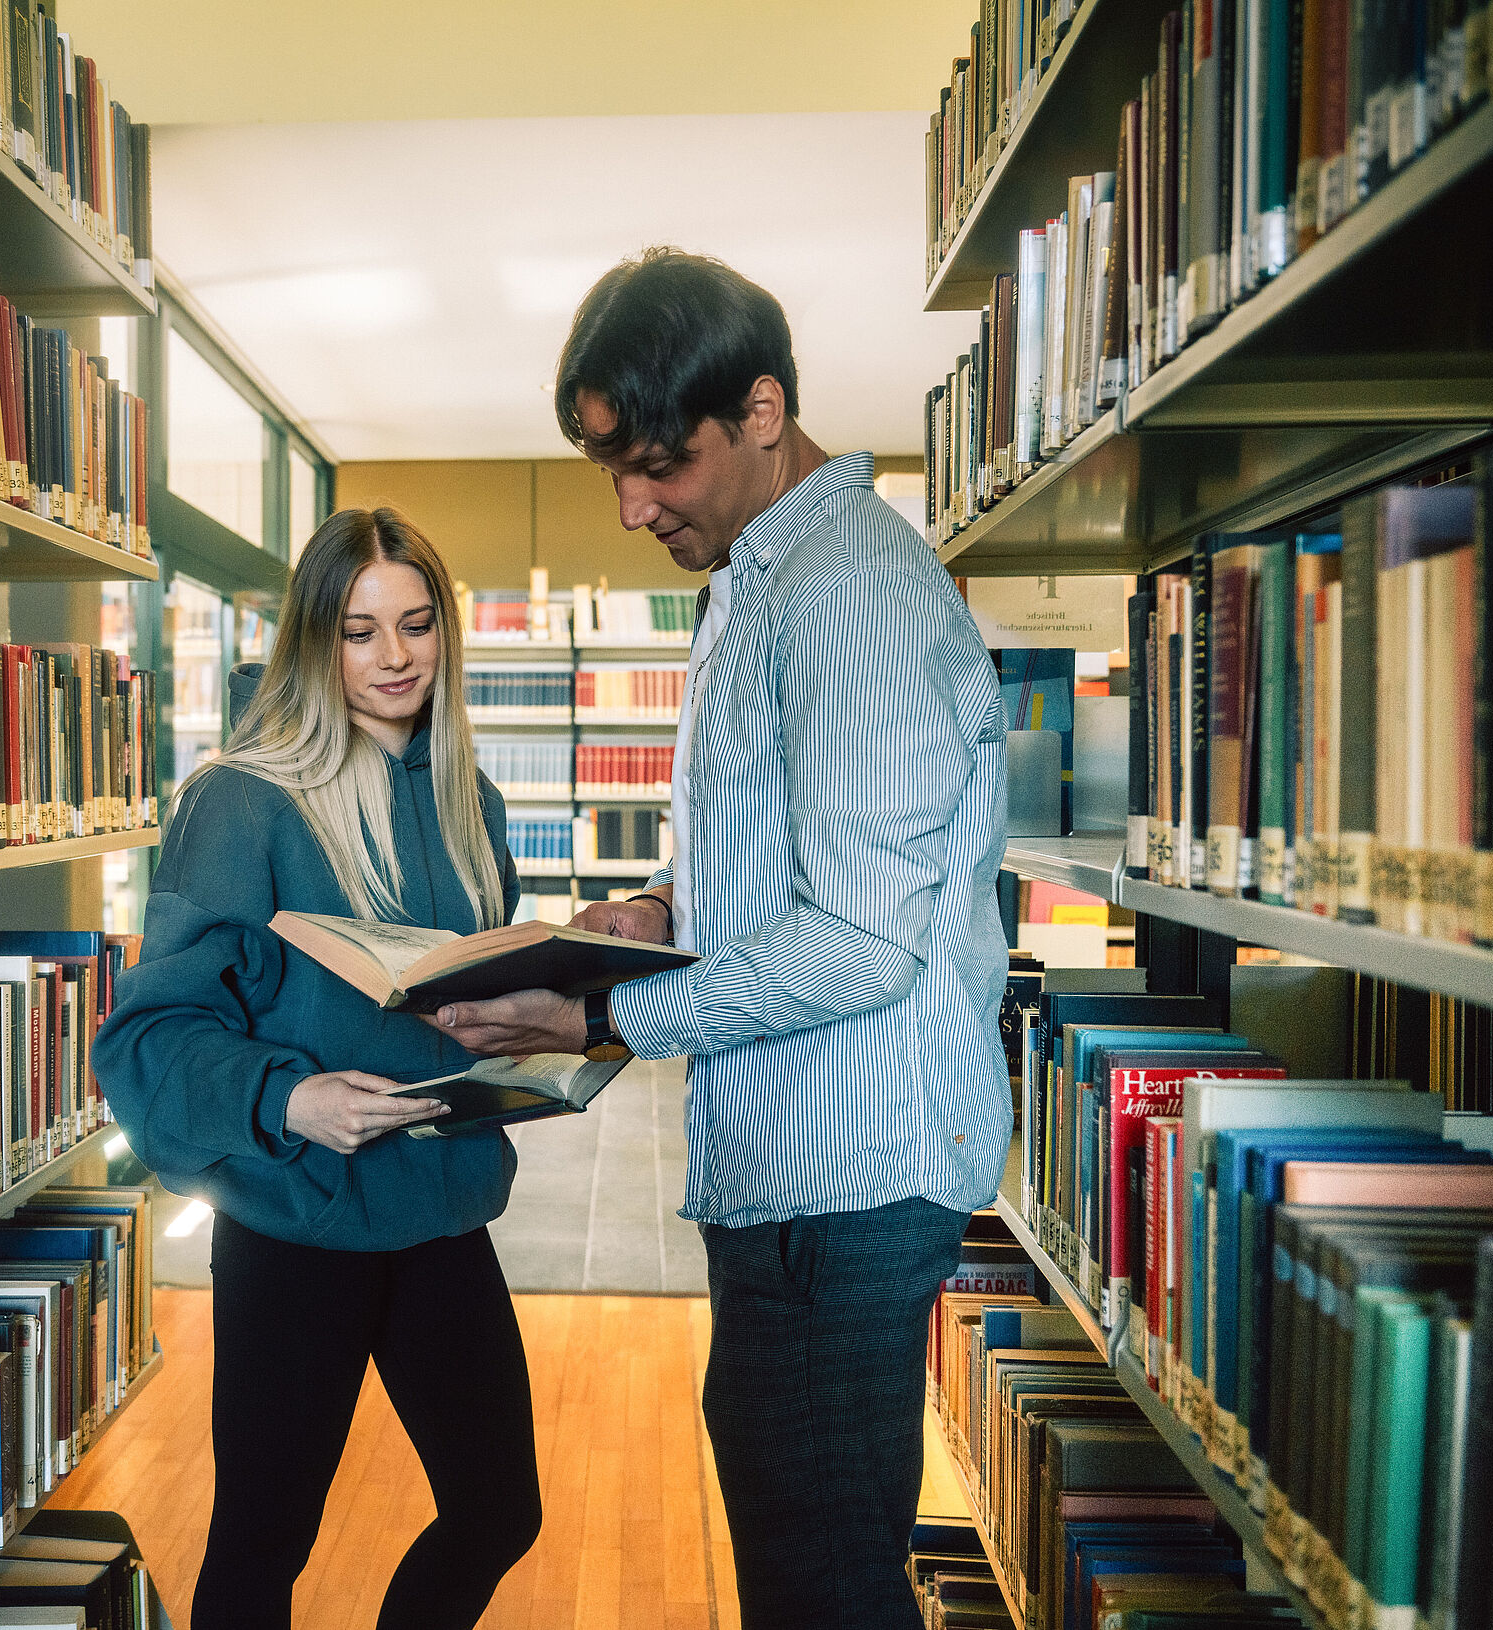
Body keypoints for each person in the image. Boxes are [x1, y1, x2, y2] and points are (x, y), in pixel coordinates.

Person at [430, 248, 1013, 1630]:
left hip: (849, 1173)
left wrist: (603, 1017)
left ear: (761, 412)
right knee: (790, 1514)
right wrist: (661, 909)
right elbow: (776, 830)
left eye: (658, 465)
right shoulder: (756, 575)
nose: (632, 509)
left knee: (817, 1572)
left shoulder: (848, 593)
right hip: (796, 1162)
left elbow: (866, 941)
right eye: (608, 473)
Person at [90, 508, 542, 1630]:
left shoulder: (468, 800)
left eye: (417, 623)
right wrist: (290, 1094)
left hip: (438, 1213)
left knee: (499, 1510)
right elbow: (146, 1038)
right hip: (296, 1224)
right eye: (358, 631)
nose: (395, 656)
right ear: (313, 641)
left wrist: (527, 1029)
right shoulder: (242, 803)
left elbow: (464, 988)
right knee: (262, 1546)